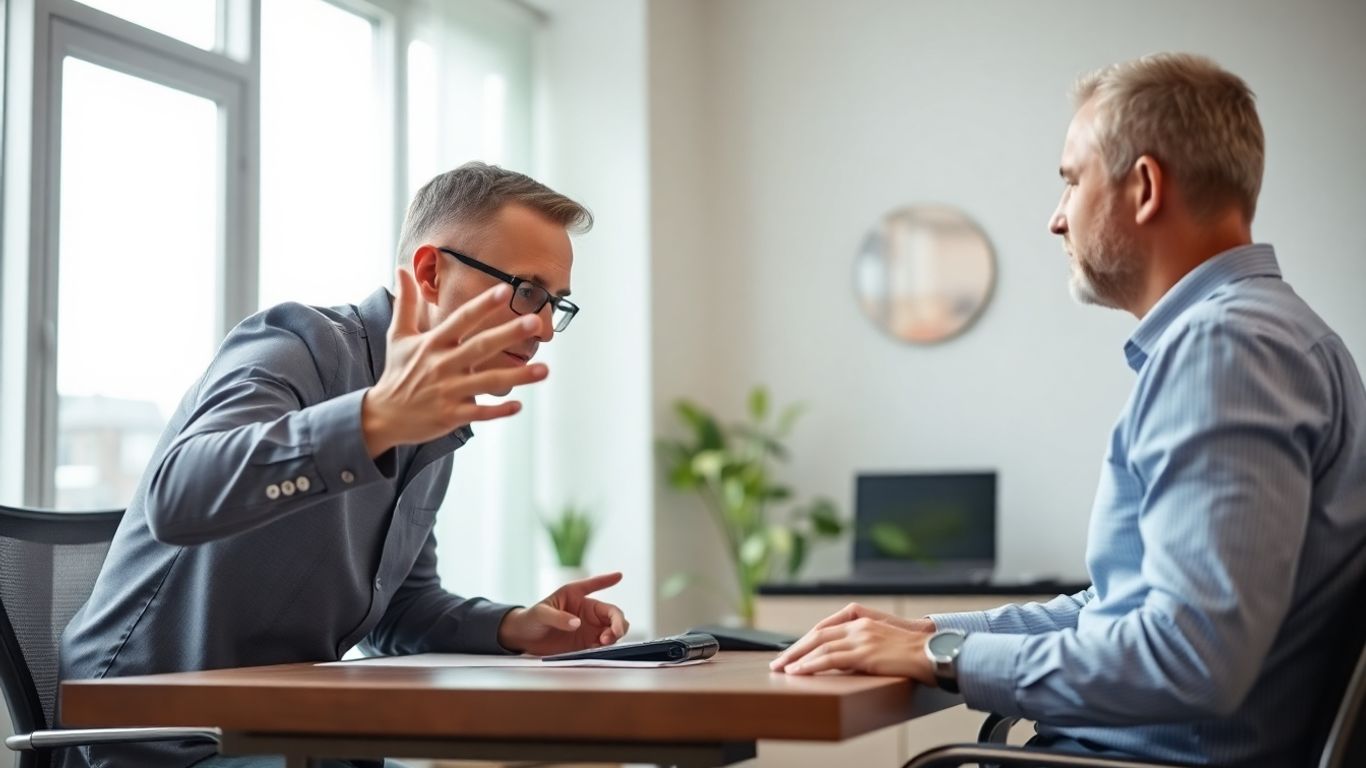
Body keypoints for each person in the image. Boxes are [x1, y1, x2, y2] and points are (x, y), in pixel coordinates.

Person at [771, 52, 1366, 766]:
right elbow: (1117, 609)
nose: (1056, 220)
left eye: (1070, 181)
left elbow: (1191, 656)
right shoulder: (1265, 336)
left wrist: (943, 654)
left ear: (1144, 186)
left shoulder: (1226, 349)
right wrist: (928, 629)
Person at [58, 162, 630, 768]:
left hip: (287, 731)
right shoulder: (298, 344)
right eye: (528, 290)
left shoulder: (433, 418)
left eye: (555, 305)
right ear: (432, 273)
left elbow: (399, 609)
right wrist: (374, 420)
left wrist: (516, 626)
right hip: (156, 738)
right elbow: (176, 498)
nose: (541, 326)